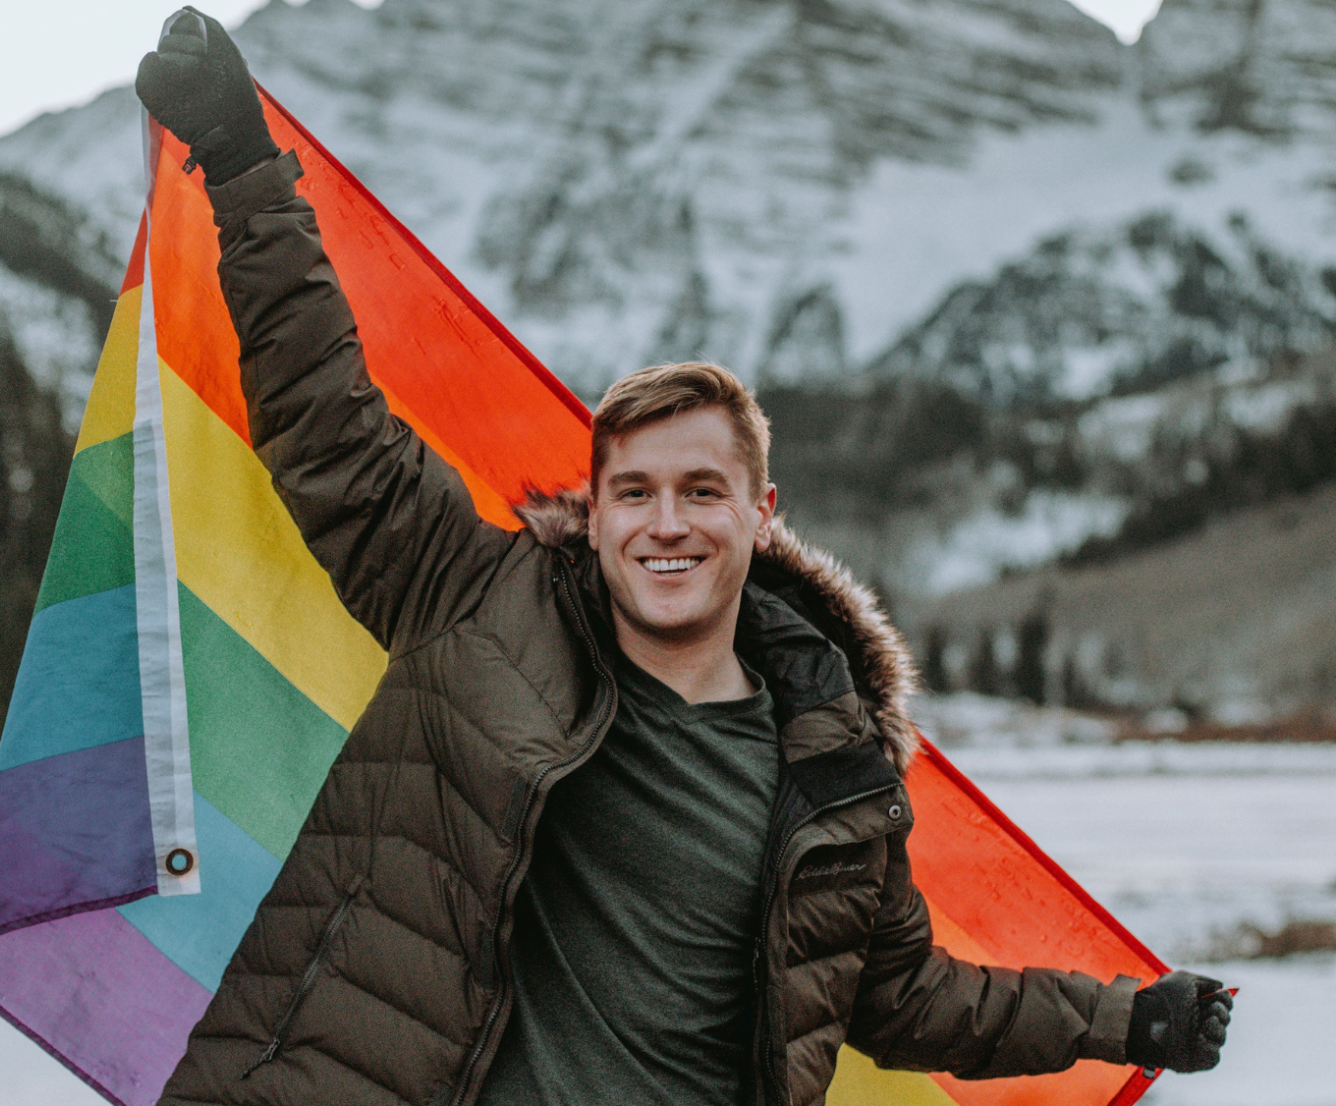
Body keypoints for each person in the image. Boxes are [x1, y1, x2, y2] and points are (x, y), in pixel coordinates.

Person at [135, 10, 1232, 1106]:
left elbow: (904, 996)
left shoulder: (833, 773)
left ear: (760, 515)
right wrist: (241, 167)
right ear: (596, 511)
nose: (668, 523)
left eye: (701, 491)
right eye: (636, 492)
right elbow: (332, 426)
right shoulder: (478, 596)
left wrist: (1125, 1016)